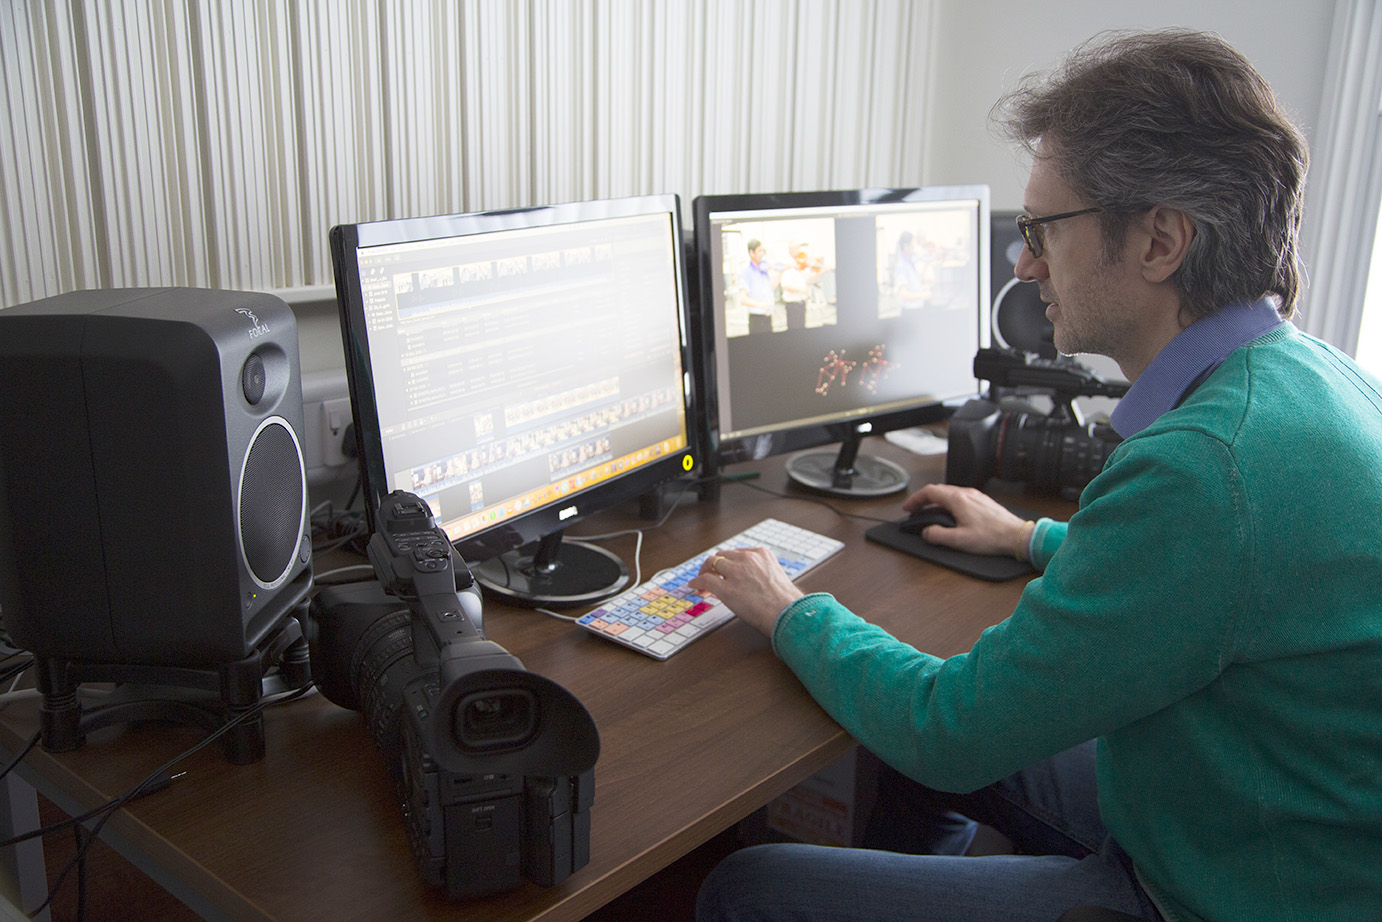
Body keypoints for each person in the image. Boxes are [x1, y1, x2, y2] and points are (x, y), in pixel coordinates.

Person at [691, 28, 1382, 922]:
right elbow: (1232, 582)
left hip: (1212, 890)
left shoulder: (1203, 468)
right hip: (1251, 816)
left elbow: (951, 727)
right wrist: (1031, 538)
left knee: (750, 889)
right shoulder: (1312, 374)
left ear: (1160, 242)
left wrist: (790, 610)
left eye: (1042, 230)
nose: (1022, 263)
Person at [737, 239, 776, 336]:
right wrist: (762, 305)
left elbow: (772, 288)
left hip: (767, 318)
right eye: (759, 251)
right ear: (752, 253)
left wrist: (777, 271)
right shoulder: (746, 273)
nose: (762, 253)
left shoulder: (764, 271)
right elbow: (743, 299)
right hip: (757, 319)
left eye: (763, 251)